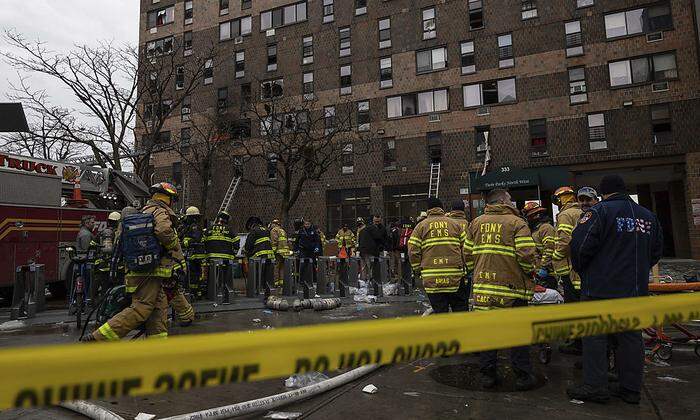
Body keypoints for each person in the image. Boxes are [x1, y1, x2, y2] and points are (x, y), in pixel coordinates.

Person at [567, 175, 663, 404]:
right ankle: (630, 389)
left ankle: (595, 386)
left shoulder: (598, 213)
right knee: (630, 338)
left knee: (595, 337)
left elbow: (579, 247)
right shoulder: (648, 217)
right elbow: (656, 251)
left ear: (603, 193)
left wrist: (584, 271)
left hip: (600, 289)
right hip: (634, 290)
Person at [88, 182, 183, 341]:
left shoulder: (144, 211)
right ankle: (100, 337)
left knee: (158, 310)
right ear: (168, 198)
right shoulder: (159, 211)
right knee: (141, 308)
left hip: (145, 270)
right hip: (150, 271)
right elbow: (163, 231)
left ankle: (157, 347)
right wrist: (173, 244)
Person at [464, 189, 537, 390]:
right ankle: (523, 376)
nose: (513, 202)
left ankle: (487, 375)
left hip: (483, 289)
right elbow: (526, 255)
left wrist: (476, 272)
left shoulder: (476, 223)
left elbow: (467, 253)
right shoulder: (517, 223)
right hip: (512, 290)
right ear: (503, 201)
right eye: (511, 199)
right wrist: (531, 273)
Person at [408, 197, 468, 314]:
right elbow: (466, 249)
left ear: (428, 210)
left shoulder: (420, 227)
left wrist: (417, 269)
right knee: (460, 310)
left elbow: (413, 250)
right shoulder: (455, 224)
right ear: (442, 208)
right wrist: (466, 268)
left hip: (431, 277)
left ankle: (445, 331)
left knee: (440, 312)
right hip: (455, 276)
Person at [552, 186, 584, 355]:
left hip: (570, 270)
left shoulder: (565, 215)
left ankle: (577, 344)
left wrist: (555, 257)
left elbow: (564, 241)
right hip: (582, 270)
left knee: (573, 307)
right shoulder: (582, 212)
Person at [522, 202, 557, 290]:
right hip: (538, 273)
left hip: (549, 274)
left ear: (536, 215)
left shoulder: (546, 228)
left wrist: (544, 267)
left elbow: (549, 249)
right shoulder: (535, 230)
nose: (528, 220)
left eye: (529, 216)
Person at [204, 210, 240, 293]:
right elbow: (237, 242)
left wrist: (207, 253)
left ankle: (211, 292)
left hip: (212, 259)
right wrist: (234, 253)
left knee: (212, 276)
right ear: (226, 220)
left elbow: (203, 242)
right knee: (225, 277)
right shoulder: (229, 230)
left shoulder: (209, 230)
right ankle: (225, 291)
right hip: (226, 259)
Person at [181, 206, 207, 299]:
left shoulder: (194, 227)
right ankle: (196, 292)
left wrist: (185, 242)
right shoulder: (190, 227)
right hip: (194, 255)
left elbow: (195, 239)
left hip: (196, 255)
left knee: (194, 275)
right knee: (194, 274)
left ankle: (195, 292)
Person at [358, 215, 390, 281]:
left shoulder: (362, 230)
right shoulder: (374, 229)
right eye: (375, 221)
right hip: (372, 251)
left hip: (363, 251)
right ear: (372, 221)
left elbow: (360, 241)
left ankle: (365, 280)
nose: (377, 223)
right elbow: (380, 238)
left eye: (378, 221)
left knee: (365, 266)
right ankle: (372, 280)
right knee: (372, 266)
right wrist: (385, 247)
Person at [268, 219, 291, 286]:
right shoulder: (282, 230)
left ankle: (275, 282)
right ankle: (282, 282)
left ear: (274, 224)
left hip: (278, 251)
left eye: (272, 224)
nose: (271, 225)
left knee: (276, 266)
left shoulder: (274, 230)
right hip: (285, 252)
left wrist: (273, 251)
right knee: (282, 267)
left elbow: (274, 240)